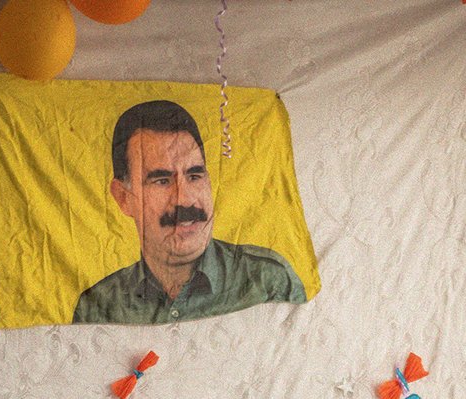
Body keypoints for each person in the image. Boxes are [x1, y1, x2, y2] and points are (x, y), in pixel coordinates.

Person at [73, 100, 307, 326]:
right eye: (162, 181)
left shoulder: (268, 279)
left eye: (194, 177)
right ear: (124, 198)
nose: (184, 198)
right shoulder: (99, 306)